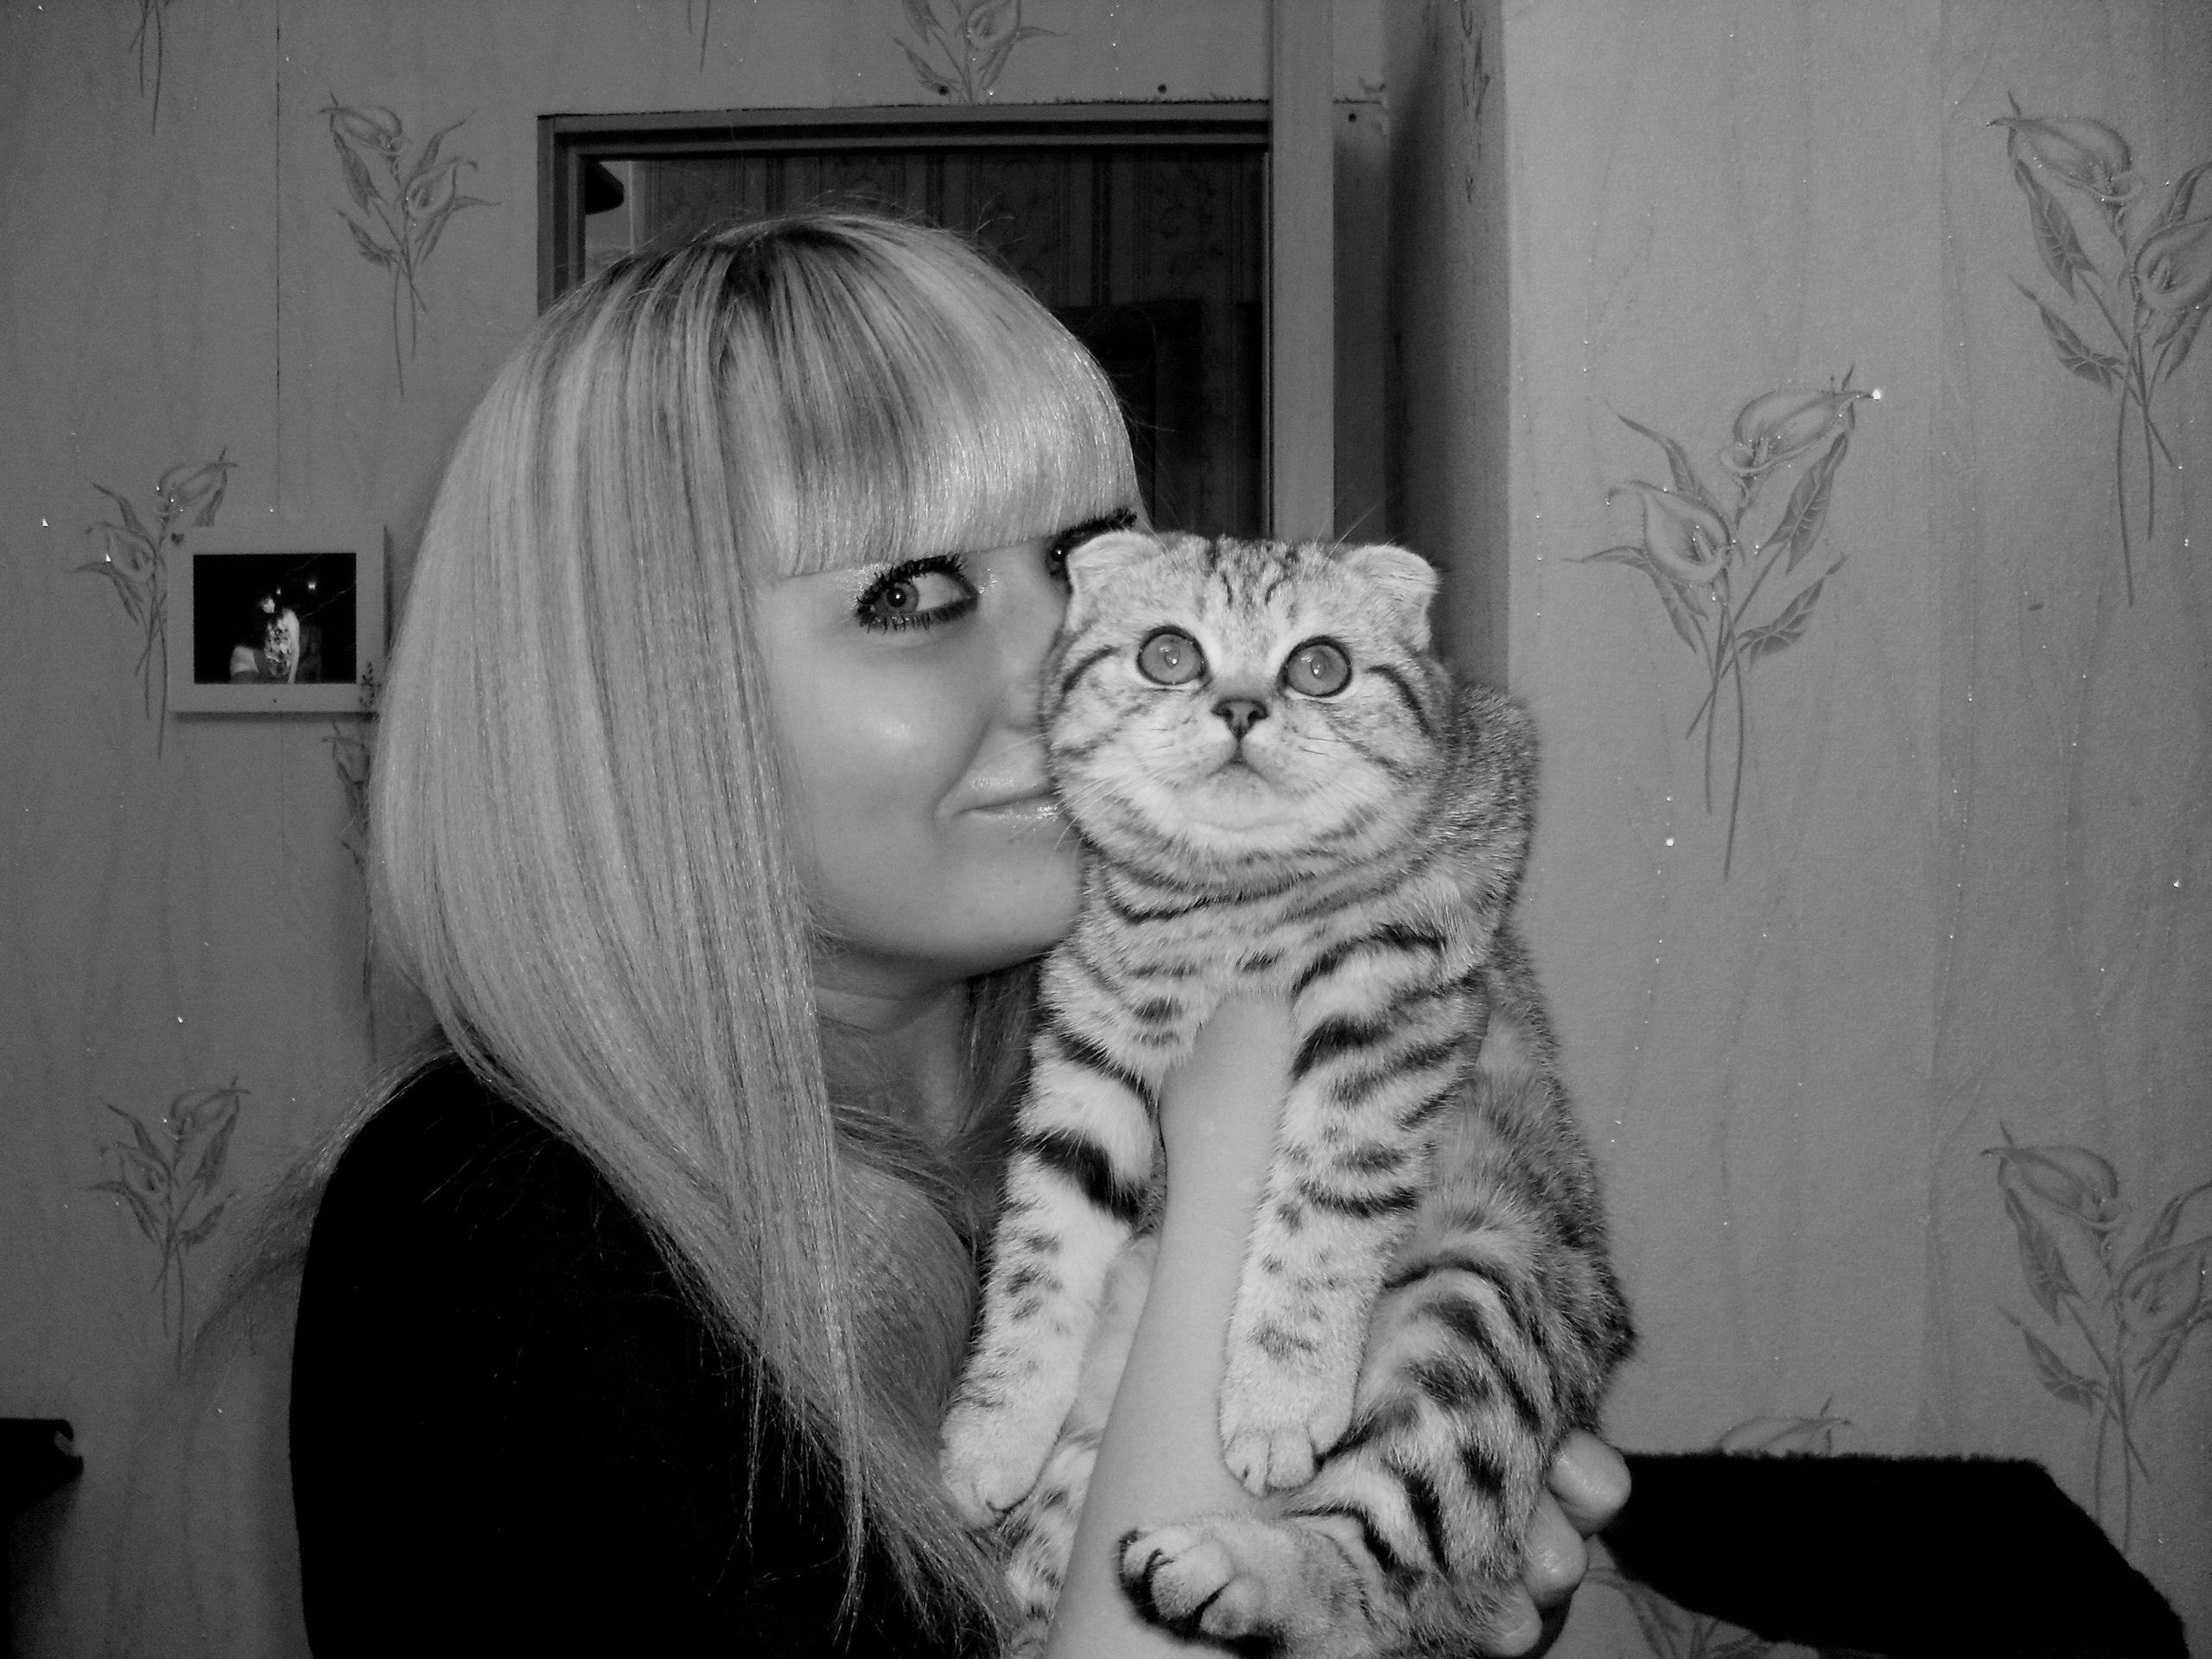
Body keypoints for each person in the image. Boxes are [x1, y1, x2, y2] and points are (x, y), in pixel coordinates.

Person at [284, 209, 1628, 1657]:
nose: (1071, 666)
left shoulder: (1091, 1060)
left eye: (1088, 562)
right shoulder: (488, 1231)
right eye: (911, 597)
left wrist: (1433, 1576)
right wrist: (1237, 1133)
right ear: (643, 716)